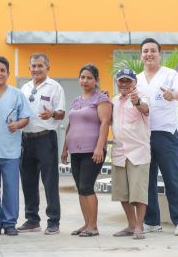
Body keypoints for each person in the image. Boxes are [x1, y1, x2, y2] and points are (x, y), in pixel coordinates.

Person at [137, 38, 178, 236]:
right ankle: (152, 221)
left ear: (160, 54)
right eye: (145, 51)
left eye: (152, 50)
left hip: (166, 134)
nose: (149, 54)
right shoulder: (138, 78)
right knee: (147, 181)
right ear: (141, 55)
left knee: (174, 178)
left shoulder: (170, 74)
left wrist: (173, 95)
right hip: (143, 136)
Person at [0, 56, 33, 236]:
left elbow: (26, 117)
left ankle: (10, 223)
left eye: (2, 70)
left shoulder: (17, 94)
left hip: (10, 151)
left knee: (11, 188)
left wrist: (17, 125)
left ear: (8, 74)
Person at [61, 64, 112, 237]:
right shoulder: (76, 100)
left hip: (93, 150)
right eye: (82, 77)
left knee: (86, 186)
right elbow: (70, 125)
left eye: (89, 77)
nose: (85, 80)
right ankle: (86, 224)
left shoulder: (102, 99)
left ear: (96, 80)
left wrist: (100, 147)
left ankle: (94, 226)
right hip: (76, 150)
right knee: (80, 188)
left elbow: (105, 123)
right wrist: (65, 149)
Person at [18, 53, 65, 235]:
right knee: (28, 181)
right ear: (29, 68)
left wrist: (53, 113)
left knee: (50, 182)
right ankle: (32, 219)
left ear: (47, 68)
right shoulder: (24, 88)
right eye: (33, 66)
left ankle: (53, 221)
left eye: (40, 66)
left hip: (46, 139)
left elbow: (61, 114)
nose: (36, 69)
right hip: (26, 139)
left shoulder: (55, 87)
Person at [111, 68, 150, 240]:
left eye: (128, 81)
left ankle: (140, 227)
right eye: (121, 81)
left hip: (138, 153)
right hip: (119, 152)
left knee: (139, 193)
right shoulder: (114, 101)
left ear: (135, 83)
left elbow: (146, 109)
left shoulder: (141, 97)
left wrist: (137, 101)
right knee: (123, 192)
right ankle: (131, 225)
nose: (125, 84)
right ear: (117, 82)